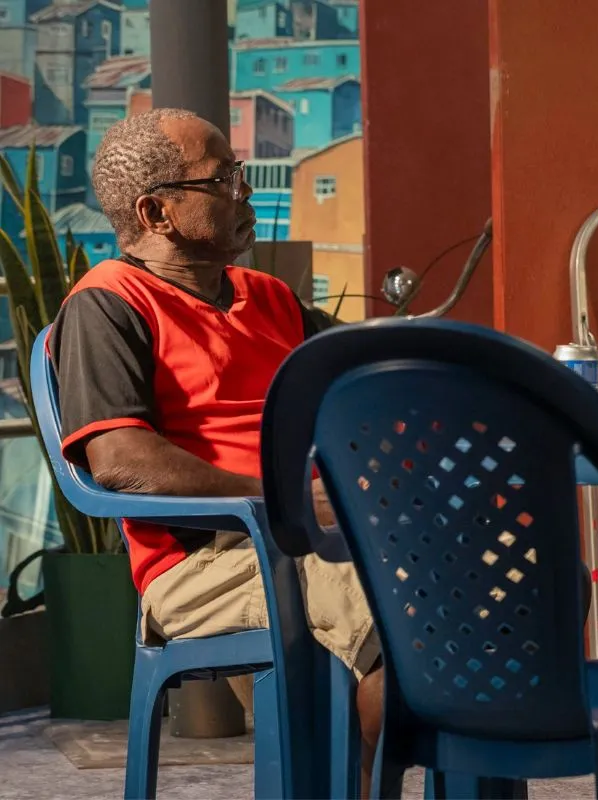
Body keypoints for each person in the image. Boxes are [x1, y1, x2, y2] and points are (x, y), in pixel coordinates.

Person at [48, 108, 383, 788]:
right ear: (156, 211)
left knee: (503, 562)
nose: (244, 189)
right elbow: (117, 458)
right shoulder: (109, 303)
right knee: (416, 604)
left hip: (316, 531)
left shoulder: (271, 299)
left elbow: (365, 378)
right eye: (223, 177)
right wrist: (283, 497)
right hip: (202, 558)